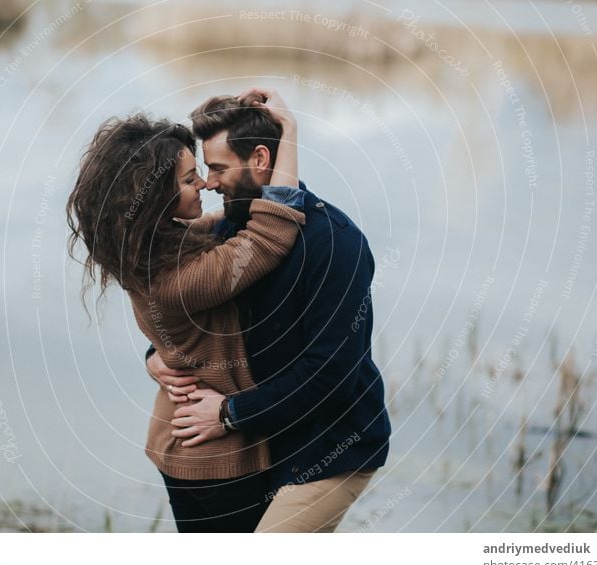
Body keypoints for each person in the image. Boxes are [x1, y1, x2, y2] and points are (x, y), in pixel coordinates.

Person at [146, 87, 392, 532]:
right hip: (258, 445)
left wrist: (228, 413)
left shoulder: (335, 244)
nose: (210, 182)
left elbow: (330, 372)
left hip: (327, 445)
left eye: (218, 168)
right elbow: (190, 311)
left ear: (261, 159)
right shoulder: (231, 232)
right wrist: (156, 357)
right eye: (203, 170)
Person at [65, 91, 305, 532]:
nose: (204, 186)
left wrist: (155, 358)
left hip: (180, 441)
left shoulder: (147, 247)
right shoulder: (178, 278)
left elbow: (220, 224)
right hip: (214, 459)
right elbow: (270, 233)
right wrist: (288, 132)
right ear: (155, 198)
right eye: (189, 179)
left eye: (202, 173)